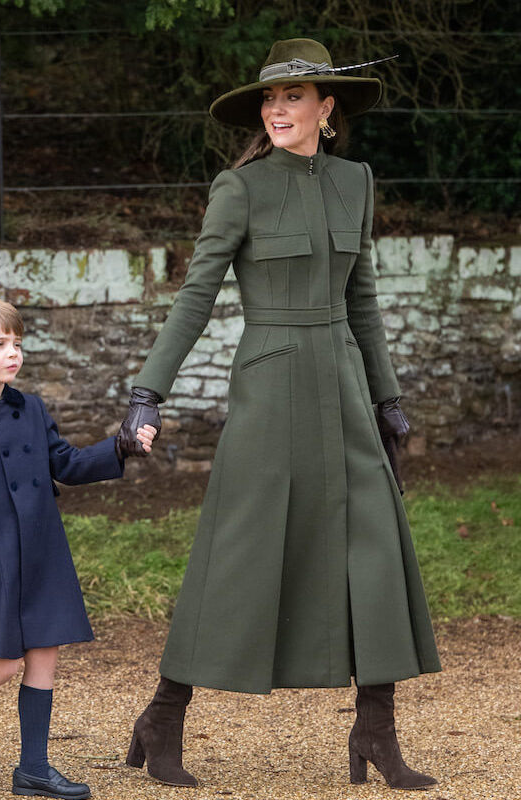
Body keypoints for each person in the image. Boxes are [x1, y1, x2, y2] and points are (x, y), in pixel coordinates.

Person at [114, 38, 441, 790]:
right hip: (269, 389)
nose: (277, 109)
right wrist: (147, 391)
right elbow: (197, 294)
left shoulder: (356, 181)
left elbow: (362, 296)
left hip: (346, 389)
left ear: (327, 109)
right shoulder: (241, 188)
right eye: (270, 99)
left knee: (376, 551)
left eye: (293, 97)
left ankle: (376, 730)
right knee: (238, 553)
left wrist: (388, 400)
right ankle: (164, 715)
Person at [0, 297, 155, 800]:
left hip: (41, 551)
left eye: (17, 343)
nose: (13, 353)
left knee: (44, 653)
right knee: (0, 663)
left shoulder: (32, 408)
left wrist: (119, 446)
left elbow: (64, 463)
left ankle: (34, 769)